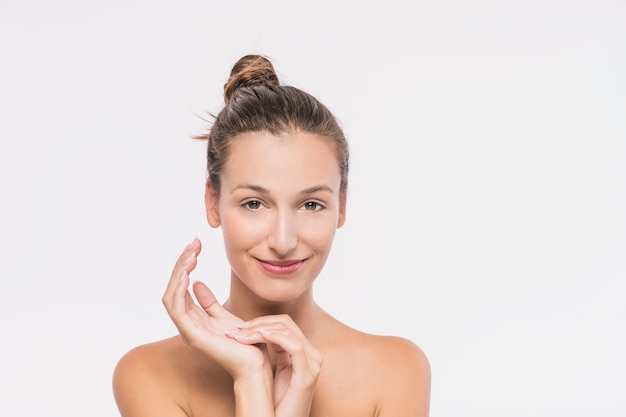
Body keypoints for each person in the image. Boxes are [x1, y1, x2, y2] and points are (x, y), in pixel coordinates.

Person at [112, 54, 431, 417]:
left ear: (341, 206)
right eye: (253, 203)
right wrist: (251, 377)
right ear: (212, 202)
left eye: (311, 205)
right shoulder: (149, 375)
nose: (283, 241)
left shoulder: (396, 372)